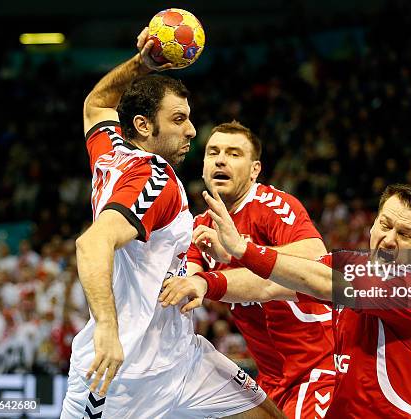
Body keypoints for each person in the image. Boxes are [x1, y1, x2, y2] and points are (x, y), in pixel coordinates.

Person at [61, 28, 282, 418]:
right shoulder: (153, 180)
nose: (192, 130)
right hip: (122, 376)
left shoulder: (110, 149)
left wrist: (142, 64)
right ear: (144, 126)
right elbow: (91, 244)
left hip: (183, 358)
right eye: (179, 119)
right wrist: (107, 330)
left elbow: (96, 104)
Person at [162, 183, 411, 417]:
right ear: (373, 223)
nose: (389, 239)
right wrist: (206, 280)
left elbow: (322, 282)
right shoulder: (356, 265)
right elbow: (272, 284)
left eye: (405, 234)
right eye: (385, 225)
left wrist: (243, 250)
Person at [165, 120, 334, 418]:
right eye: (213, 152)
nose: (220, 159)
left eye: (233, 153)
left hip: (318, 367)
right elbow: (191, 284)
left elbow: (316, 257)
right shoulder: (201, 225)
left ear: (255, 169)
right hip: (270, 379)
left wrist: (237, 252)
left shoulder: (273, 204)